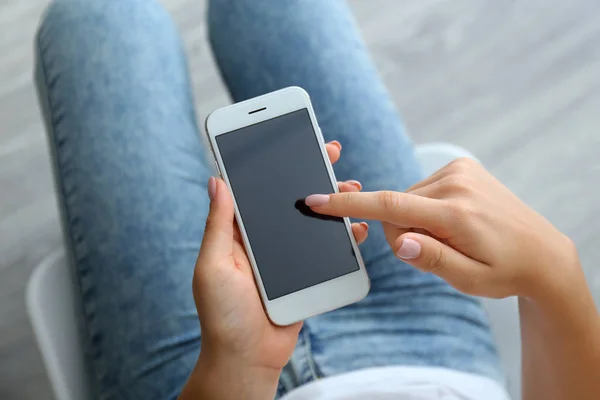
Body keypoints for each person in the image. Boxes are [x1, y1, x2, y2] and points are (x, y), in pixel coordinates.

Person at [34, 0, 600, 399]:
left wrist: (239, 364)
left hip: (211, 372)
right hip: (436, 355)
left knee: (102, 17)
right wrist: (555, 273)